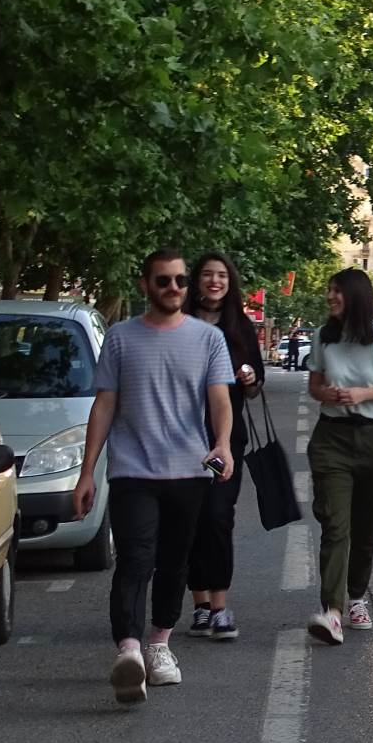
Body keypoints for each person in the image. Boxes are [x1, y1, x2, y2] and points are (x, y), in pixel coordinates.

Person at [72, 249, 237, 705]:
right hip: (132, 471)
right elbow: (104, 404)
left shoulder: (208, 339)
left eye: (181, 281)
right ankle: (128, 650)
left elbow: (219, 399)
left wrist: (221, 444)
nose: (174, 289)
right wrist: (87, 472)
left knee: (175, 562)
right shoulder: (122, 338)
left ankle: (159, 644)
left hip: (189, 470)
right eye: (164, 281)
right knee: (134, 560)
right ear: (145, 284)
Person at [304, 268, 373, 646]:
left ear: (355, 295)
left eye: (337, 291)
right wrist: (330, 395)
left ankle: (355, 596)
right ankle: (331, 612)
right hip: (332, 437)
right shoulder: (324, 336)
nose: (330, 297)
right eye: (329, 290)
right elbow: (315, 386)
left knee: (367, 522)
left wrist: (363, 394)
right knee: (335, 524)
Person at [183, 252, 265, 642]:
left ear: (229, 282)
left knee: (217, 516)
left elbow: (256, 384)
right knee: (189, 520)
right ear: (195, 281)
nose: (214, 282)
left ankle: (219, 606)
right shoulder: (177, 323)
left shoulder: (240, 328)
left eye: (221, 276)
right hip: (179, 440)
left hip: (222, 444)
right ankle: (199, 605)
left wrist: (247, 376)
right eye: (207, 275)